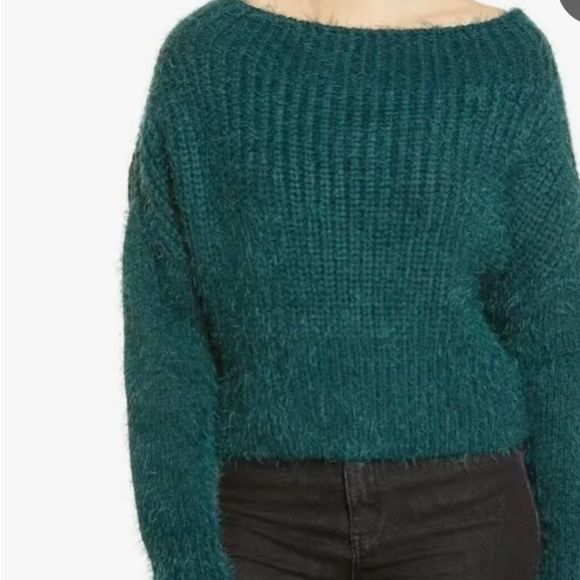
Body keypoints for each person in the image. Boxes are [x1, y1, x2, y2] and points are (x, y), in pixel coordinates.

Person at [120, 0, 580, 578]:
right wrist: (185, 560)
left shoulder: (507, 63)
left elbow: (554, 328)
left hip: (466, 518)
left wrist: (569, 559)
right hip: (259, 523)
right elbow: (166, 330)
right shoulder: (208, 59)